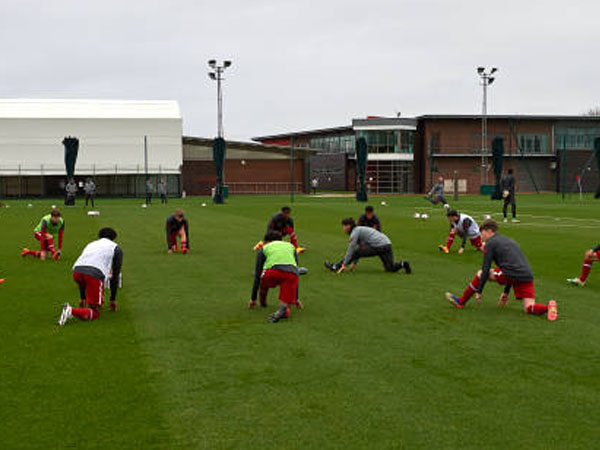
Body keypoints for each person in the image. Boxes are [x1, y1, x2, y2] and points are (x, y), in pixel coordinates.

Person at [445, 219, 557, 320]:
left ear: (489, 231)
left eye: (482, 232)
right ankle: (548, 308)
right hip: (527, 274)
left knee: (481, 273)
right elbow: (512, 267)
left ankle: (461, 302)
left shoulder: (490, 244)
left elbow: (486, 268)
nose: (481, 235)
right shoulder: (508, 240)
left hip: (512, 273)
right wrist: (506, 292)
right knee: (528, 308)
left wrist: (479, 291)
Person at [58, 227, 123, 325]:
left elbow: (85, 266)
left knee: (86, 283)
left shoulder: (91, 244)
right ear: (114, 238)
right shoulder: (116, 248)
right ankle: (70, 310)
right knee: (96, 312)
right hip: (94, 274)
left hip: (77, 271)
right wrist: (112, 299)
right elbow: (115, 275)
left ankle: (79, 311)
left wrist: (82, 297)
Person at [324, 218, 411, 274]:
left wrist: (344, 264)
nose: (343, 229)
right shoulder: (359, 230)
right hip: (387, 244)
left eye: (344, 226)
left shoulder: (355, 233)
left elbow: (351, 250)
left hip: (379, 246)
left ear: (349, 226)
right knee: (390, 268)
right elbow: (360, 248)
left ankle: (336, 266)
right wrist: (354, 263)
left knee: (356, 252)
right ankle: (403, 264)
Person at [249, 230, 301, 323]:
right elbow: (296, 270)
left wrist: (253, 299)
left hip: (273, 272)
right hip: (291, 274)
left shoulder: (264, 248)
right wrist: (296, 298)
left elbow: (257, 274)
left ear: (268, 241)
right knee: (287, 284)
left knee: (263, 278)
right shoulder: (291, 246)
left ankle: (263, 302)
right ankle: (283, 309)